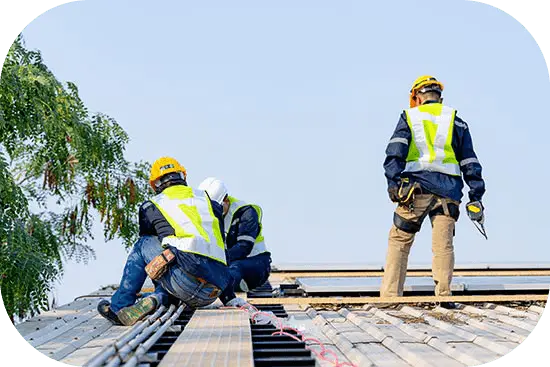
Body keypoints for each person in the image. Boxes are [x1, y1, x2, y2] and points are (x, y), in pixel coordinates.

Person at [97, 157, 245, 326]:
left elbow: (154, 257)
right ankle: (157, 298)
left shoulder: (151, 205)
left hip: (184, 284)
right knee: (185, 255)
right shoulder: (209, 202)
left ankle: (119, 306)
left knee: (144, 245)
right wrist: (229, 298)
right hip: (213, 291)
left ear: (156, 184)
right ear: (182, 177)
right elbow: (221, 249)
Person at [380, 75, 486, 309]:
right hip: (448, 192)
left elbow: (394, 152)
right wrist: (475, 195)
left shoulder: (410, 117)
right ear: (440, 98)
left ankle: (390, 298)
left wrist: (392, 183)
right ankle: (444, 296)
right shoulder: (455, 121)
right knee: (443, 244)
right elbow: (469, 161)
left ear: (417, 97)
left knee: (400, 239)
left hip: (415, 190)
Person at [198, 177, 272, 294]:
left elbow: (244, 247)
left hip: (256, 264)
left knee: (232, 269)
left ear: (225, 201)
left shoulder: (246, 212)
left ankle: (232, 285)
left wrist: (217, 261)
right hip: (228, 262)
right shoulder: (209, 217)